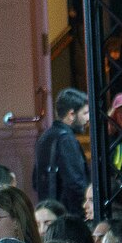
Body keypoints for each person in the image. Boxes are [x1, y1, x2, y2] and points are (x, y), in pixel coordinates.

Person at [35, 89, 91, 219]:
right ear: (71, 114)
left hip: (50, 212)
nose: (88, 118)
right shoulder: (66, 140)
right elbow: (75, 183)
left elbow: (35, 180)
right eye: (85, 113)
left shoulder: (45, 137)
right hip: (68, 215)